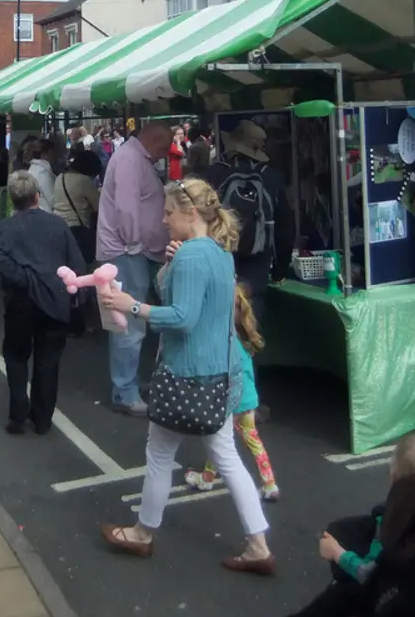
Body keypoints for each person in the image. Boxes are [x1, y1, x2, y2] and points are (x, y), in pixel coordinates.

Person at [98, 178, 274, 574]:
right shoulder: (218, 252)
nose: (162, 220)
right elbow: (183, 299)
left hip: (186, 374)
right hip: (220, 375)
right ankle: (258, 542)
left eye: (168, 213)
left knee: (160, 454)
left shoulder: (194, 256)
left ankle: (143, 534)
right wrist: (169, 266)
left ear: (190, 213)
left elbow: (181, 317)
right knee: (227, 457)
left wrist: (133, 306)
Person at [290, 434, 415, 617]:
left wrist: (337, 553)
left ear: (394, 477)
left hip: (385, 597)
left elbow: (370, 575)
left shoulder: (394, 526)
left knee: (341, 592)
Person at [0, 170, 85, 435]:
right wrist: (74, 296)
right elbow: (75, 262)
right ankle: (42, 419)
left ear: (13, 198)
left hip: (20, 301)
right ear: (37, 195)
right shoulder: (57, 225)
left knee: (16, 356)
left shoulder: (6, 228)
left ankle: (18, 414)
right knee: (48, 361)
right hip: (54, 300)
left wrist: (22, 277)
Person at [97, 121, 170, 416]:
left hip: (133, 252)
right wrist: (135, 242)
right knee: (129, 322)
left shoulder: (131, 157)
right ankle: (125, 392)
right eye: (165, 146)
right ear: (155, 140)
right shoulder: (130, 160)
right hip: (128, 253)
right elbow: (127, 210)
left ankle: (128, 385)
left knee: (132, 321)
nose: (167, 152)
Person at [183, 283, 278, 501]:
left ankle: (207, 478)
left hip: (228, 401)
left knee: (217, 440)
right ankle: (269, 483)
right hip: (248, 401)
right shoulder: (244, 340)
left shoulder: (222, 342)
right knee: (252, 441)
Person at [203, 119, 287, 321]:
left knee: (217, 323)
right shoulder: (272, 177)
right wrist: (279, 270)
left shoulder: (214, 173)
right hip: (256, 265)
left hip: (219, 259)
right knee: (249, 327)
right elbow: (284, 227)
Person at [53, 148, 101, 265]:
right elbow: (98, 206)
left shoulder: (60, 177)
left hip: (58, 226)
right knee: (81, 267)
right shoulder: (83, 180)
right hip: (78, 229)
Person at [25, 139, 58, 212]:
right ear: (45, 155)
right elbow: (52, 200)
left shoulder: (33, 169)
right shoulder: (42, 173)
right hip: (46, 215)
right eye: (52, 153)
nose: (54, 156)